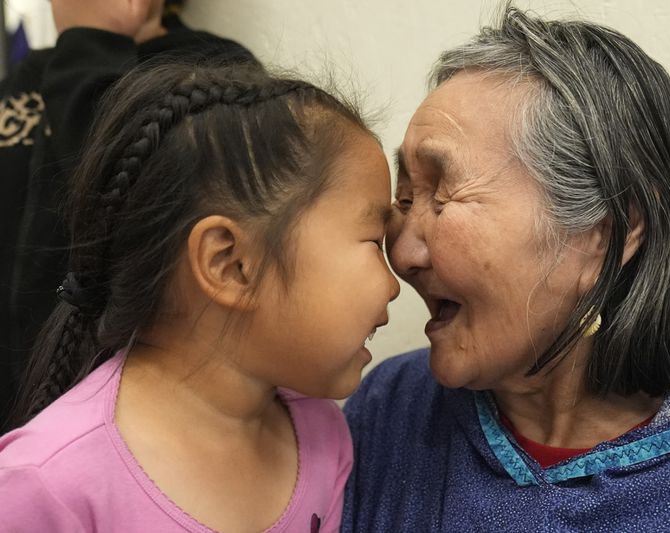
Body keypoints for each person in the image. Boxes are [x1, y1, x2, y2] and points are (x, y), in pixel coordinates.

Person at [343, 6, 670, 532]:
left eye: (444, 195)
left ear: (607, 232)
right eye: (404, 198)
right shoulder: (390, 411)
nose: (402, 255)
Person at [0, 60, 399, 532]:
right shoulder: (48, 484)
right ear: (229, 263)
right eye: (375, 240)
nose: (395, 283)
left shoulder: (322, 436)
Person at [0, 0, 253, 431]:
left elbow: (128, 199)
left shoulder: (216, 66)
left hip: (113, 409)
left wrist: (91, 38)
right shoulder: (31, 73)